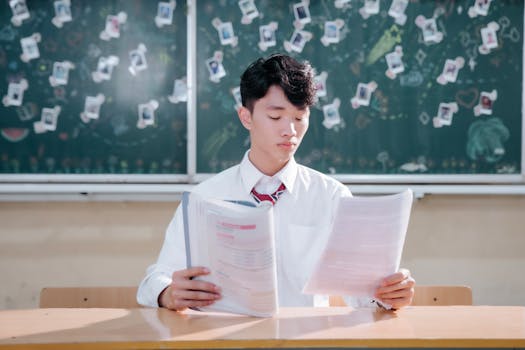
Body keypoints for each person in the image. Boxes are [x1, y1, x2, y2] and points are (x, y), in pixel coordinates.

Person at [137, 53, 415, 311]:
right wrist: (168, 293)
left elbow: (361, 294)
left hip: (305, 342)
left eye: (299, 117)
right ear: (246, 117)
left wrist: (386, 295)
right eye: (275, 116)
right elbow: (154, 280)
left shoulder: (331, 196)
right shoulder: (204, 197)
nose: (290, 131)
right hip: (224, 340)